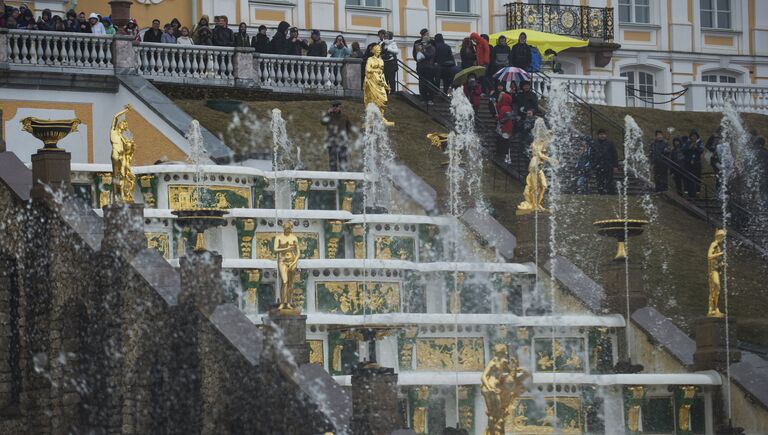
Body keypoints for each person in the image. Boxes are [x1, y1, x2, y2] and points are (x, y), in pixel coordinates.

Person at [321, 101, 352, 171]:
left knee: (343, 162)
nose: (335, 108)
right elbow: (322, 122)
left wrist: (348, 139)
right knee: (333, 163)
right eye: (334, 107)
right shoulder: (329, 116)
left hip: (342, 143)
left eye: (337, 106)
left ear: (339, 107)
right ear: (331, 108)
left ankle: (344, 179)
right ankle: (334, 180)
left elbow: (349, 129)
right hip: (332, 144)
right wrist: (327, 113)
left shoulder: (345, 116)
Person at [592, 129, 619, 194]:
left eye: (604, 134)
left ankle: (610, 192)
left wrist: (615, 166)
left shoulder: (610, 143)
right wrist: (593, 164)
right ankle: (600, 192)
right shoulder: (595, 143)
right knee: (599, 180)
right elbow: (592, 154)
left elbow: (614, 155)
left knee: (609, 180)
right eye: (601, 134)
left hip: (608, 165)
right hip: (598, 165)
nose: (602, 136)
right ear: (598, 135)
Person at [414, 34, 436, 105]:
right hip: (421, 68)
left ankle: (430, 99)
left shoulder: (431, 48)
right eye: (423, 42)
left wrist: (422, 50)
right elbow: (417, 57)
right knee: (421, 84)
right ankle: (423, 98)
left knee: (429, 83)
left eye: (424, 42)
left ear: (428, 42)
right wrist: (417, 51)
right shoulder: (422, 48)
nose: (423, 43)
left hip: (429, 68)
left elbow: (428, 55)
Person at [683, 129, 704, 197]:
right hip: (688, 163)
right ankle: (687, 192)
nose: (693, 137)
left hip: (697, 163)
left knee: (697, 177)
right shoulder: (687, 142)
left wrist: (696, 147)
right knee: (688, 177)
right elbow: (683, 150)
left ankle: (697, 192)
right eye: (692, 136)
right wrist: (689, 147)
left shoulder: (700, 143)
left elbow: (701, 150)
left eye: (694, 136)